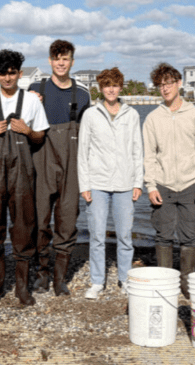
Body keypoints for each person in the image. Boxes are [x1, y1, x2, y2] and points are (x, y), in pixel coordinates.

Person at [0, 50, 49, 306]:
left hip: (22, 171)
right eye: (2, 73)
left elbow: (40, 136)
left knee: (24, 225)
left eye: (12, 73)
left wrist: (27, 131)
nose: (8, 78)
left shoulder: (31, 101)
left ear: (20, 73)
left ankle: (22, 288)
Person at [143, 63, 195, 299]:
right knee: (163, 234)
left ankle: (186, 283)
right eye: (160, 85)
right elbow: (149, 155)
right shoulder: (152, 118)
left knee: (189, 236)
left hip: (191, 184)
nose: (165, 88)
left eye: (169, 83)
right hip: (163, 185)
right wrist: (151, 185)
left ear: (179, 83)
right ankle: (165, 282)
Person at [30, 39, 91, 296]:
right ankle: (41, 273)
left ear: (72, 62)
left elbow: (89, 135)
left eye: (65, 59)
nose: (61, 63)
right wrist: (29, 103)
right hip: (42, 162)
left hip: (71, 164)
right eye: (56, 59)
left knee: (67, 220)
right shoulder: (35, 88)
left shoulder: (83, 93)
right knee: (40, 220)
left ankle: (60, 277)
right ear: (50, 61)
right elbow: (21, 124)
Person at [78, 68, 143, 299]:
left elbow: (137, 150)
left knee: (125, 235)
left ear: (120, 87)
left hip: (125, 184)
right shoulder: (90, 114)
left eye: (115, 85)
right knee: (97, 236)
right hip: (97, 183)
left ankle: (125, 279)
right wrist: (84, 185)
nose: (111, 89)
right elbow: (83, 152)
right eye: (107, 85)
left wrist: (138, 182)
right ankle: (97, 282)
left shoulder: (132, 115)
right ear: (101, 88)